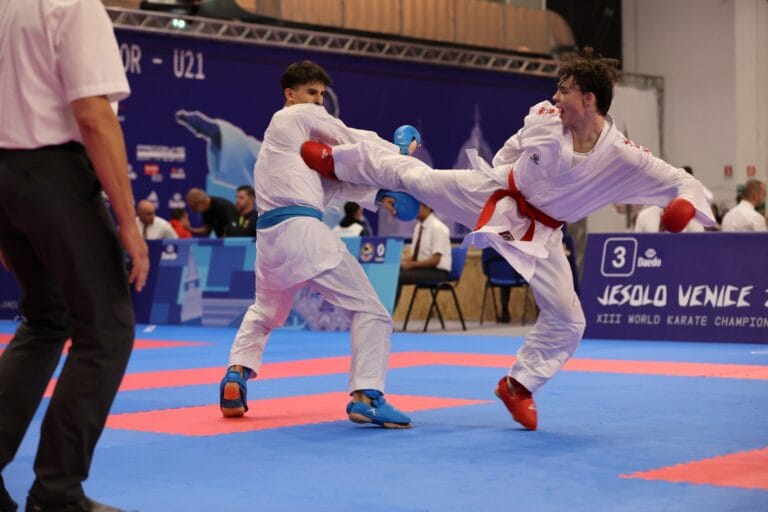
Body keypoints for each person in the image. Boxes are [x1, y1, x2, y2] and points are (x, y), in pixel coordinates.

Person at [301, 48, 715, 431]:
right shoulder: (544, 117)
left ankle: (518, 385)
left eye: (565, 91)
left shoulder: (623, 154)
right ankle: (336, 160)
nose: (555, 97)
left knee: (570, 320)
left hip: (544, 233)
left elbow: (680, 179)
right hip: (497, 194)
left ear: (589, 100)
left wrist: (683, 203)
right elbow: (508, 151)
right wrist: (499, 170)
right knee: (416, 176)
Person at [0, 0, 149, 510]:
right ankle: (57, 493)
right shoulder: (74, 6)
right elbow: (93, 113)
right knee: (106, 329)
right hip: (53, 176)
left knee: (45, 320)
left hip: (7, 178)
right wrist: (128, 221)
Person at [219, 60, 415, 429]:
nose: (318, 101)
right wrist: (399, 150)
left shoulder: (284, 152)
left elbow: (339, 179)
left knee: (264, 314)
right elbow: (349, 138)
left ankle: (236, 376)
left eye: (322, 94)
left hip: (270, 241)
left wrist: (380, 197)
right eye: (311, 93)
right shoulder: (293, 118)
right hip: (302, 232)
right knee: (371, 312)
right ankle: (366, 396)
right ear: (289, 95)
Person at [395, 204, 451, 308]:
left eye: (417, 206)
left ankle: (388, 316)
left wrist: (411, 265)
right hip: (423, 269)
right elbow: (415, 256)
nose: (414, 210)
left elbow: (435, 260)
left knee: (398, 277)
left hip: (438, 271)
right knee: (393, 272)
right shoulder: (418, 227)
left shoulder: (438, 228)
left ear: (428, 207)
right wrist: (400, 262)